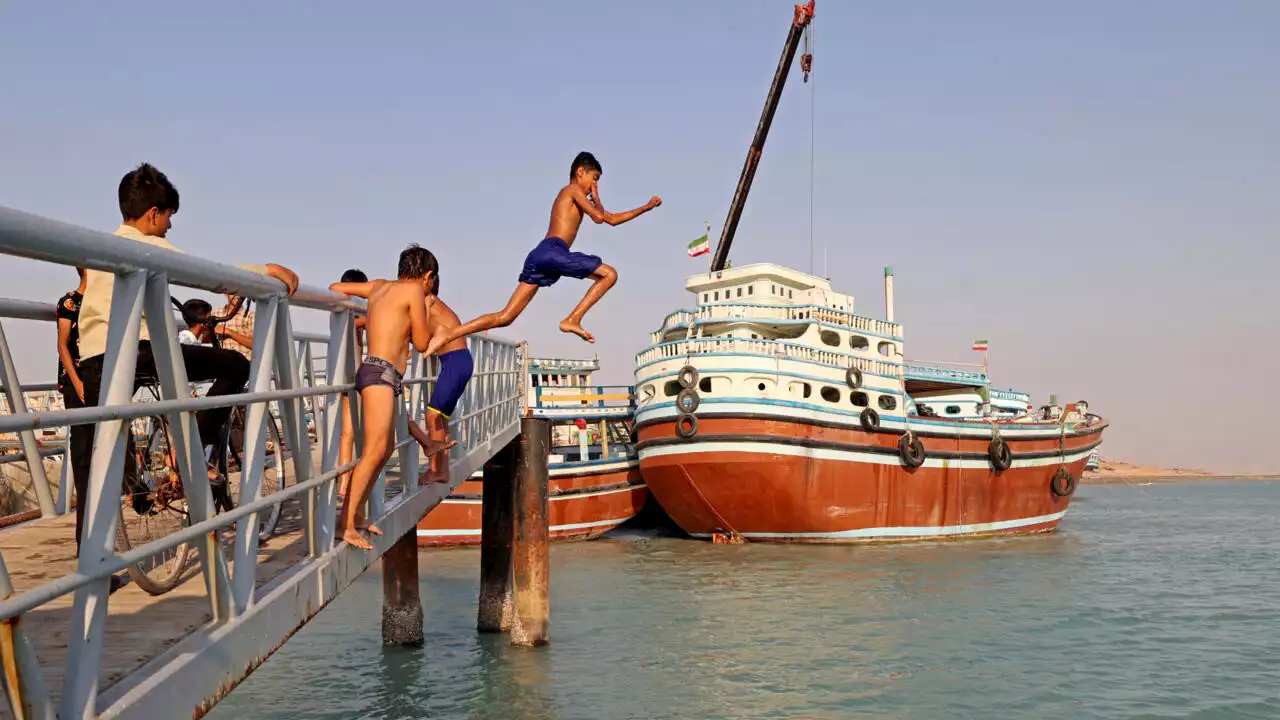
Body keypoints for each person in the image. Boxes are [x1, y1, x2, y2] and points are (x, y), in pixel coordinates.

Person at [74, 163, 300, 542]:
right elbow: (202, 272)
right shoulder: (147, 244)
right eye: (168, 219)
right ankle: (198, 436)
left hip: (95, 359)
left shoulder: (104, 250)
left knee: (94, 455)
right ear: (153, 214)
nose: (169, 227)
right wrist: (267, 270)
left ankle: (94, 558)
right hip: (140, 352)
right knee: (235, 364)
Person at [424, 152, 660, 355]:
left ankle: (449, 334)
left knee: (506, 317)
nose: (594, 186)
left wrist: (646, 208)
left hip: (541, 256)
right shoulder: (572, 189)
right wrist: (597, 198)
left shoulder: (576, 195)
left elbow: (611, 219)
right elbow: (600, 217)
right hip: (552, 251)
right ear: (580, 172)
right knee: (610, 274)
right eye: (594, 179)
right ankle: (572, 319)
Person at [327, 246, 456, 549]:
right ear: (427, 277)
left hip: (376, 372)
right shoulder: (415, 291)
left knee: (383, 450)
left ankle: (355, 515)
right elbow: (423, 342)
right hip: (382, 374)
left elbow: (335, 288)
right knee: (374, 450)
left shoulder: (379, 286)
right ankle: (343, 524)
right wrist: (421, 311)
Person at [421, 258, 474, 484]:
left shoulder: (428, 301)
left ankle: (437, 470)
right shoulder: (435, 302)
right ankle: (441, 469)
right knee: (440, 418)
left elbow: (419, 335)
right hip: (458, 360)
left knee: (433, 416)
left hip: (454, 361)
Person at [54, 268, 89, 548]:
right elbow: (63, 345)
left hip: (101, 381)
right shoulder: (70, 303)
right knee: (83, 456)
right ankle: (85, 543)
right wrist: (77, 383)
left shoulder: (105, 302)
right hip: (77, 384)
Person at [337, 268, 368, 497]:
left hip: (348, 370)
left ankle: (345, 481)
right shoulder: (346, 309)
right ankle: (345, 483)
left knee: (351, 432)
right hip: (349, 373)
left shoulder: (342, 307)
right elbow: (353, 326)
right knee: (349, 432)